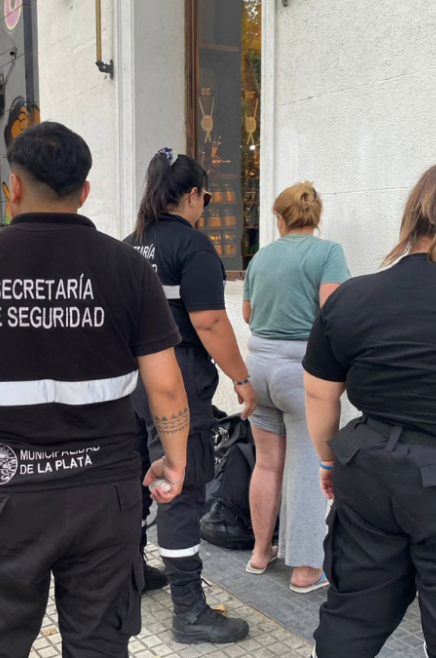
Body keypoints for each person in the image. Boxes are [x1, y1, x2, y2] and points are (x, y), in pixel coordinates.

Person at [0, 122, 190, 656]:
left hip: (2, 497)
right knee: (100, 645)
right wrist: (174, 463)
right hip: (103, 496)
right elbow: (168, 388)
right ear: (84, 191)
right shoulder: (127, 268)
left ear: (14, 186)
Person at [304, 163, 436, 657]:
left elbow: (319, 394)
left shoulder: (351, 297)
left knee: (353, 612)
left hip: (369, 469)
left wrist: (328, 461)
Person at [124, 147, 256, 644]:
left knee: (137, 478)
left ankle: (131, 573)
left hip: (130, 381)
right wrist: (241, 379)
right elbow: (210, 322)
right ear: (194, 195)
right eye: (207, 197)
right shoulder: (193, 247)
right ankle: (189, 610)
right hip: (176, 384)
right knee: (180, 489)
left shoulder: (130, 244)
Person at [243, 182, 350, 593]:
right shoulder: (328, 253)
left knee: (267, 462)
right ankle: (305, 570)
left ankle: (260, 553)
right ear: (315, 217)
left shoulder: (261, 257)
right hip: (300, 368)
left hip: (258, 366)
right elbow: (332, 311)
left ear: (280, 218)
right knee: (306, 464)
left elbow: (248, 313)